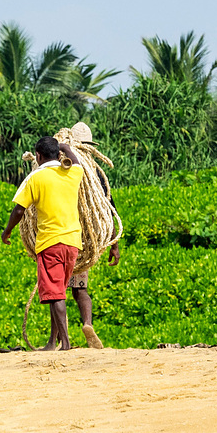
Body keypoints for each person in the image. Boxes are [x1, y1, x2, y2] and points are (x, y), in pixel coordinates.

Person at [2, 136, 83, 351]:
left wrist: (7, 231)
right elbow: (79, 164)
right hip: (73, 243)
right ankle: (52, 342)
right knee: (58, 292)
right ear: (59, 154)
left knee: (56, 294)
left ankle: (65, 343)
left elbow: (19, 209)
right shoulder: (72, 173)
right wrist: (66, 147)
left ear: (37, 156)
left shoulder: (35, 178)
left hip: (50, 242)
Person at [68, 122, 121, 349]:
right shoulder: (97, 174)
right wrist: (114, 245)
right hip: (85, 240)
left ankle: (61, 339)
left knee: (58, 291)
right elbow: (109, 207)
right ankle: (87, 323)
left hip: (62, 236)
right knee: (80, 288)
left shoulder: (64, 168)